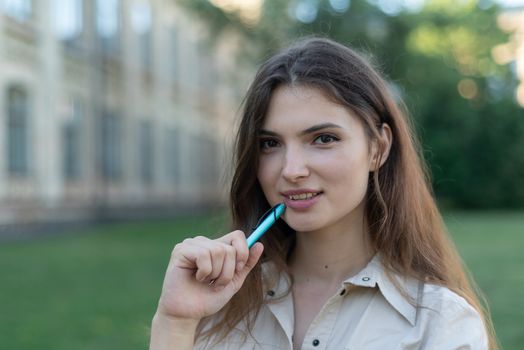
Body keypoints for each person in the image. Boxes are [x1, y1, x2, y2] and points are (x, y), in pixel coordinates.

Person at [149, 37, 497, 350]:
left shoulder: (439, 324)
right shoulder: (217, 302)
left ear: (378, 148)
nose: (291, 169)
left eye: (323, 139)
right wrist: (175, 323)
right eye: (270, 144)